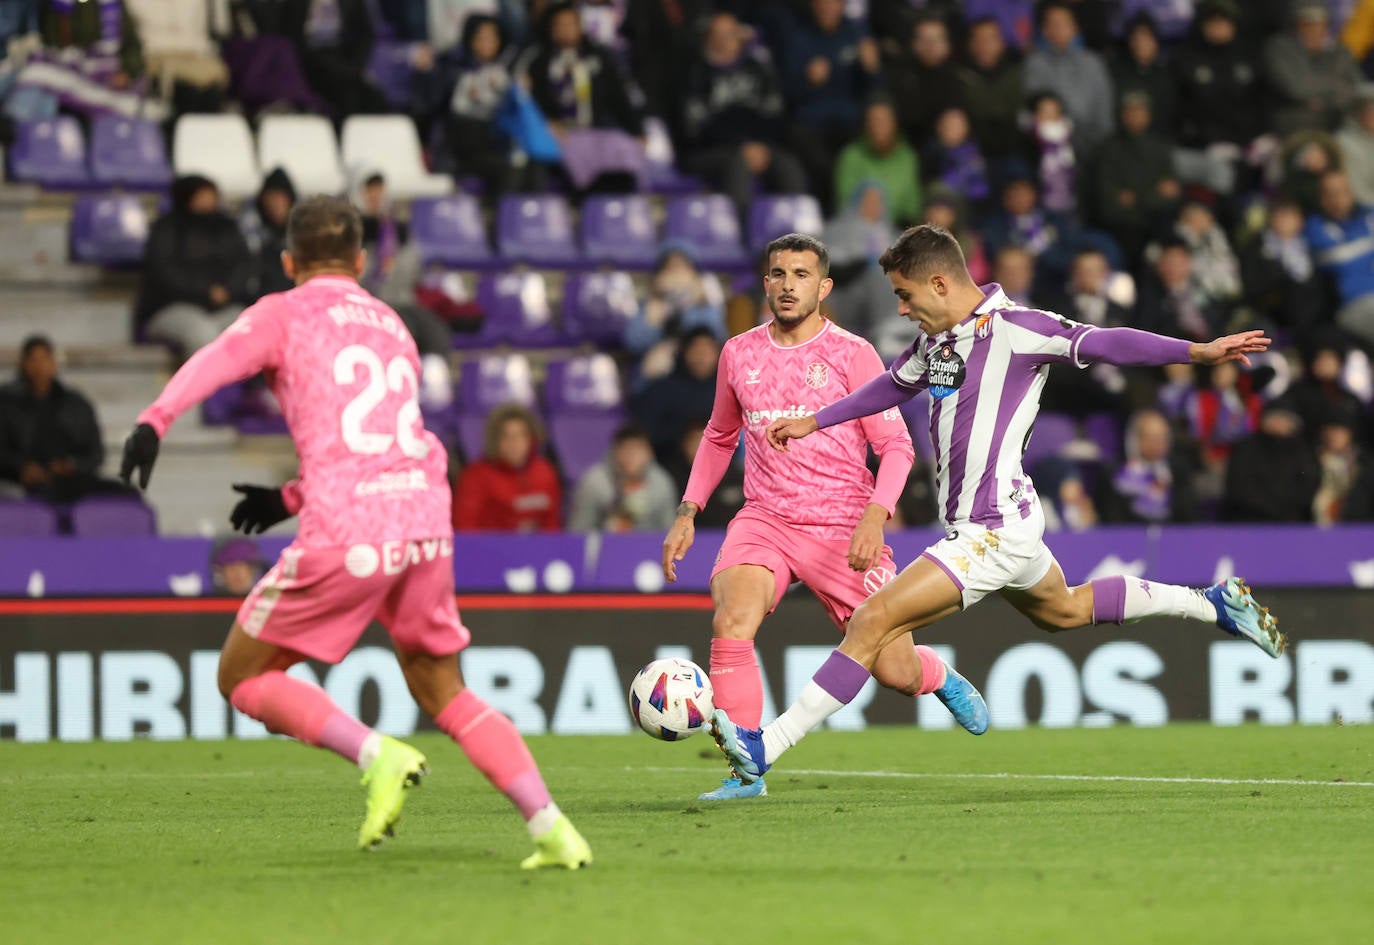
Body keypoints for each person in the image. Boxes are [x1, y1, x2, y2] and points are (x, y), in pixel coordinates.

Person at [710, 224, 1286, 785]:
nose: (903, 310)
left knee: (871, 620)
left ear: (939, 284)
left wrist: (1197, 352)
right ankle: (1211, 605)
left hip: (989, 532)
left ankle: (768, 745)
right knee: (1063, 610)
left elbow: (1108, 342)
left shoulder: (1017, 329)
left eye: (905, 295)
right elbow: (892, 384)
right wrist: (817, 419)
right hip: (1010, 519)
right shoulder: (937, 341)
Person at [116, 196, 590, 868]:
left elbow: (222, 355)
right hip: (423, 519)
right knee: (445, 691)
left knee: (242, 675)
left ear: (288, 261)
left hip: (351, 527)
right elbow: (382, 440)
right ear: (362, 262)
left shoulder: (284, 310)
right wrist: (286, 495)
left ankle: (377, 753)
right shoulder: (391, 322)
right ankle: (553, 829)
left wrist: (154, 419)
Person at [660, 232, 990, 803]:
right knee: (732, 618)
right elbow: (719, 435)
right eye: (778, 274)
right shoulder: (738, 353)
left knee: (895, 671)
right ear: (765, 282)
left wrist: (874, 517)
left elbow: (897, 447)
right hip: (766, 518)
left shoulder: (851, 353)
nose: (788, 286)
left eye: (801, 275)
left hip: (843, 527)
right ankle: (745, 773)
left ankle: (933, 673)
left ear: (824, 286)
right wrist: (689, 509)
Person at [678, 10, 807, 225]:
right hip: (711, 151)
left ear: (739, 37)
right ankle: (743, 236)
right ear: (708, 38)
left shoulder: (757, 69)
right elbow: (697, 128)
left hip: (760, 146)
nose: (723, 40)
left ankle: (795, 237)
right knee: (737, 165)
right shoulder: (695, 73)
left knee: (789, 166)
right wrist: (741, 146)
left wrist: (761, 145)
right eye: (718, 34)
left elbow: (775, 115)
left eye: (729, 33)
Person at [0, 335, 127, 503]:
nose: (39, 367)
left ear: (53, 363)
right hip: (20, 481)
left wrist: (71, 465)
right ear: (23, 364)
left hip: (69, 480)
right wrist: (20, 468)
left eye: (44, 359)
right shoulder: (6, 402)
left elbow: (95, 454)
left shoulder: (76, 404)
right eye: (33, 360)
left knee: (125, 494)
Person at [135, 175, 253, 356]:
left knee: (253, 327)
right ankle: (206, 385)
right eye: (202, 195)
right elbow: (163, 273)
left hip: (225, 307)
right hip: (172, 308)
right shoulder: (166, 228)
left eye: (211, 195)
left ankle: (257, 386)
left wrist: (228, 290)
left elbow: (244, 265)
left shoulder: (227, 227)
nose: (208, 201)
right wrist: (206, 291)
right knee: (203, 334)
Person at [452, 404, 562, 532]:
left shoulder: (545, 473)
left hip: (535, 549)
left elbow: (552, 526)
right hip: (489, 549)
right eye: (506, 436)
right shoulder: (475, 476)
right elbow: (464, 528)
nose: (514, 443)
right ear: (494, 440)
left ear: (531, 438)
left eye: (521, 435)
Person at [1024, 1, 1115, 151]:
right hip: (1049, 148)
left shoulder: (1093, 63)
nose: (1058, 29)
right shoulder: (1034, 65)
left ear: (1075, 28)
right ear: (1044, 30)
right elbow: (1032, 113)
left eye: (1063, 23)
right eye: (1053, 24)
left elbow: (1104, 119)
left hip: (1092, 148)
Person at [1264, 0, 1363, 136]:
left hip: (1336, 122)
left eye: (1320, 23)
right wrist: (1334, 85)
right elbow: (1298, 88)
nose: (1314, 29)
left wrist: (1322, 101)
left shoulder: (1340, 51)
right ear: (1297, 24)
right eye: (1307, 24)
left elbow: (1353, 88)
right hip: (1293, 124)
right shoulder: (1280, 47)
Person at [631, 327, 721, 465]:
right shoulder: (660, 390)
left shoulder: (731, 389)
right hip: (669, 466)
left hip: (723, 469)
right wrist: (686, 437)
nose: (702, 357)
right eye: (696, 351)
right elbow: (645, 434)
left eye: (707, 351)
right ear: (684, 353)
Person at [1304, 169, 1374, 346]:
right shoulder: (1316, 226)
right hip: (1354, 306)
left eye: (1344, 191)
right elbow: (1339, 261)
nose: (1339, 198)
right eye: (1332, 193)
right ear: (1323, 198)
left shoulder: (1368, 214)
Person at [568, 422, 678, 532]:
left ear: (649, 452)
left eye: (637, 449)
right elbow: (578, 532)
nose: (631, 456)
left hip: (649, 547)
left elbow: (669, 530)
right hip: (606, 545)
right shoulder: (594, 482)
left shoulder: (662, 483)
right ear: (615, 451)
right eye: (626, 449)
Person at [832, 97, 922, 227]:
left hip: (897, 232)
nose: (879, 126)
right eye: (873, 120)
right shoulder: (851, 156)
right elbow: (843, 204)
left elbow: (912, 207)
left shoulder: (908, 158)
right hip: (856, 231)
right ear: (866, 124)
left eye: (884, 120)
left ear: (894, 123)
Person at [240, 167, 297, 300]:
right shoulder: (250, 231)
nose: (275, 203)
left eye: (280, 197)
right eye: (271, 197)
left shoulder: (301, 234)